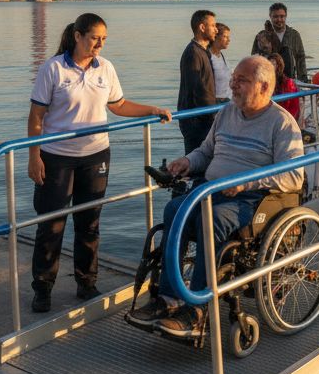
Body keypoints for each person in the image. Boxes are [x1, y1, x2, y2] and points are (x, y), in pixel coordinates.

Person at [127, 56, 304, 339]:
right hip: (211, 188)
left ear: (264, 86)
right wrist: (186, 161)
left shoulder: (281, 123)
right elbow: (206, 152)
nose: (232, 84)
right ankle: (169, 298)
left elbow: (294, 177)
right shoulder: (226, 112)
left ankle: (196, 310)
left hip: (251, 199)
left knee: (210, 219)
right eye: (233, 78)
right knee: (174, 210)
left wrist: (246, 183)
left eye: (241, 80)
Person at [28, 13, 171, 312]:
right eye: (95, 38)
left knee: (89, 223)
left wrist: (153, 109)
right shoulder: (53, 68)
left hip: (95, 155)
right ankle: (43, 287)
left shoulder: (105, 68)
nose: (100, 44)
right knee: (51, 224)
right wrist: (34, 156)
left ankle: (86, 282)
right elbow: (37, 116)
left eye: (104, 39)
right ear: (78, 36)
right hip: (57, 157)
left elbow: (118, 105)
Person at [177, 9, 218, 154]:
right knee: (196, 163)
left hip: (203, 118)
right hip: (197, 122)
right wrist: (212, 116)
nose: (216, 29)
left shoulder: (202, 51)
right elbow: (196, 89)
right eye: (213, 25)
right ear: (202, 27)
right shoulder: (193, 53)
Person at [250, 2, 307, 81]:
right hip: (268, 80)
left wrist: (303, 80)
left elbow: (300, 58)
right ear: (270, 17)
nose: (279, 19)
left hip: (289, 80)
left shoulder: (294, 35)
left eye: (282, 16)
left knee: (287, 51)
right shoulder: (261, 36)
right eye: (275, 17)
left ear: (286, 16)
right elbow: (254, 59)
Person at [268, 52, 300, 121]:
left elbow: (290, 104)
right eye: (268, 64)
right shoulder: (267, 81)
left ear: (278, 66)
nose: (270, 66)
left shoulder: (287, 82)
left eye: (273, 64)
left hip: (287, 115)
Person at [210, 22, 233, 102]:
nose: (229, 40)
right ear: (215, 37)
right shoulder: (209, 57)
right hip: (217, 102)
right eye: (225, 36)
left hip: (228, 100)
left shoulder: (222, 56)